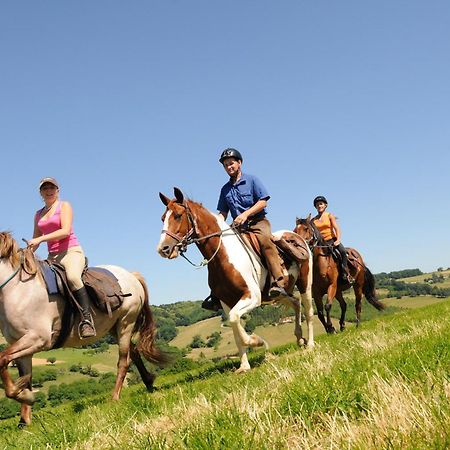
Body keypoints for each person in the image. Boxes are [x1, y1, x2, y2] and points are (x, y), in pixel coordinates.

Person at [28, 177, 96, 338]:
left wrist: (40, 239)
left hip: (71, 252)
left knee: (73, 277)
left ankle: (87, 320)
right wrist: (26, 252)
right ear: (40, 193)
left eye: (52, 188)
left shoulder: (64, 206)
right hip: (52, 257)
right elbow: (35, 239)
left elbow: (65, 231)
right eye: (45, 188)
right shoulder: (38, 214)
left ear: (58, 191)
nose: (49, 191)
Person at [216, 148, 288, 298]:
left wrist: (245, 214)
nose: (229, 167)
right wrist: (216, 225)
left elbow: (263, 202)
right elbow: (223, 213)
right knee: (219, 249)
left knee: (265, 241)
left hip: (258, 222)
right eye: (226, 165)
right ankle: (217, 292)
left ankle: (278, 281)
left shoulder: (252, 180)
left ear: (239, 163)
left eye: (231, 163)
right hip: (238, 227)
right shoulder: (225, 189)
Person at [312, 195, 352, 284]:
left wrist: (338, 240)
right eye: (317, 205)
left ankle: (345, 273)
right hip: (320, 244)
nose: (319, 206)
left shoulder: (329, 215)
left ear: (325, 205)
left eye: (321, 204)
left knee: (342, 252)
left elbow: (337, 228)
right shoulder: (313, 220)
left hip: (332, 240)